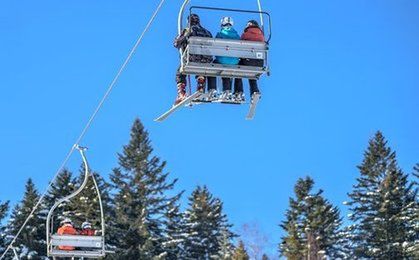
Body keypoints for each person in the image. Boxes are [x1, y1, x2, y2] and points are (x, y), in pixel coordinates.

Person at [173, 13, 216, 105]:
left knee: (179, 72)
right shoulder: (207, 32)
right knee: (201, 67)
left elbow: (176, 43)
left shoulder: (188, 30)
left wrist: (183, 37)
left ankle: (182, 93)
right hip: (206, 60)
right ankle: (200, 87)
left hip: (192, 58)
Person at [234, 20, 266, 102]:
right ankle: (255, 91)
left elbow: (241, 47)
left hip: (248, 61)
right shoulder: (261, 35)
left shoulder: (245, 34)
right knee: (252, 74)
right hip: (259, 62)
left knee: (238, 70)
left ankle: (238, 91)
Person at [214, 17, 241, 101]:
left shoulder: (220, 34)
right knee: (238, 69)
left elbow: (215, 46)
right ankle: (239, 92)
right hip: (235, 61)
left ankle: (225, 90)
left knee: (220, 65)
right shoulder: (237, 35)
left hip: (223, 60)